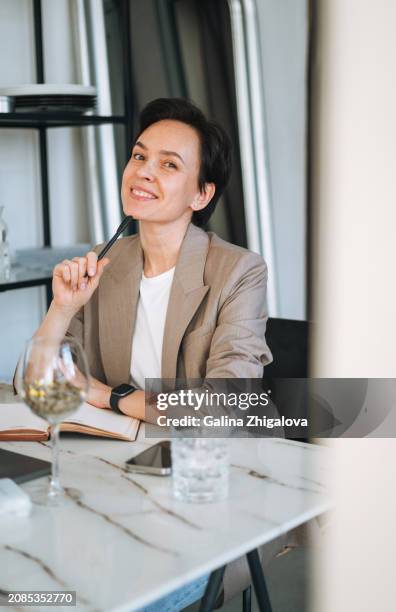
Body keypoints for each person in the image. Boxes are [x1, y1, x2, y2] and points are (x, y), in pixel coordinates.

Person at [31, 98, 282, 610]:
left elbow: (224, 407)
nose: (143, 172)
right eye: (139, 156)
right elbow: (43, 389)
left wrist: (113, 396)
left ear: (201, 193)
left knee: (107, 596)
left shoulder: (238, 271)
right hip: (122, 476)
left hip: (220, 487)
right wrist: (60, 310)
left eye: (169, 164)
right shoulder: (107, 262)